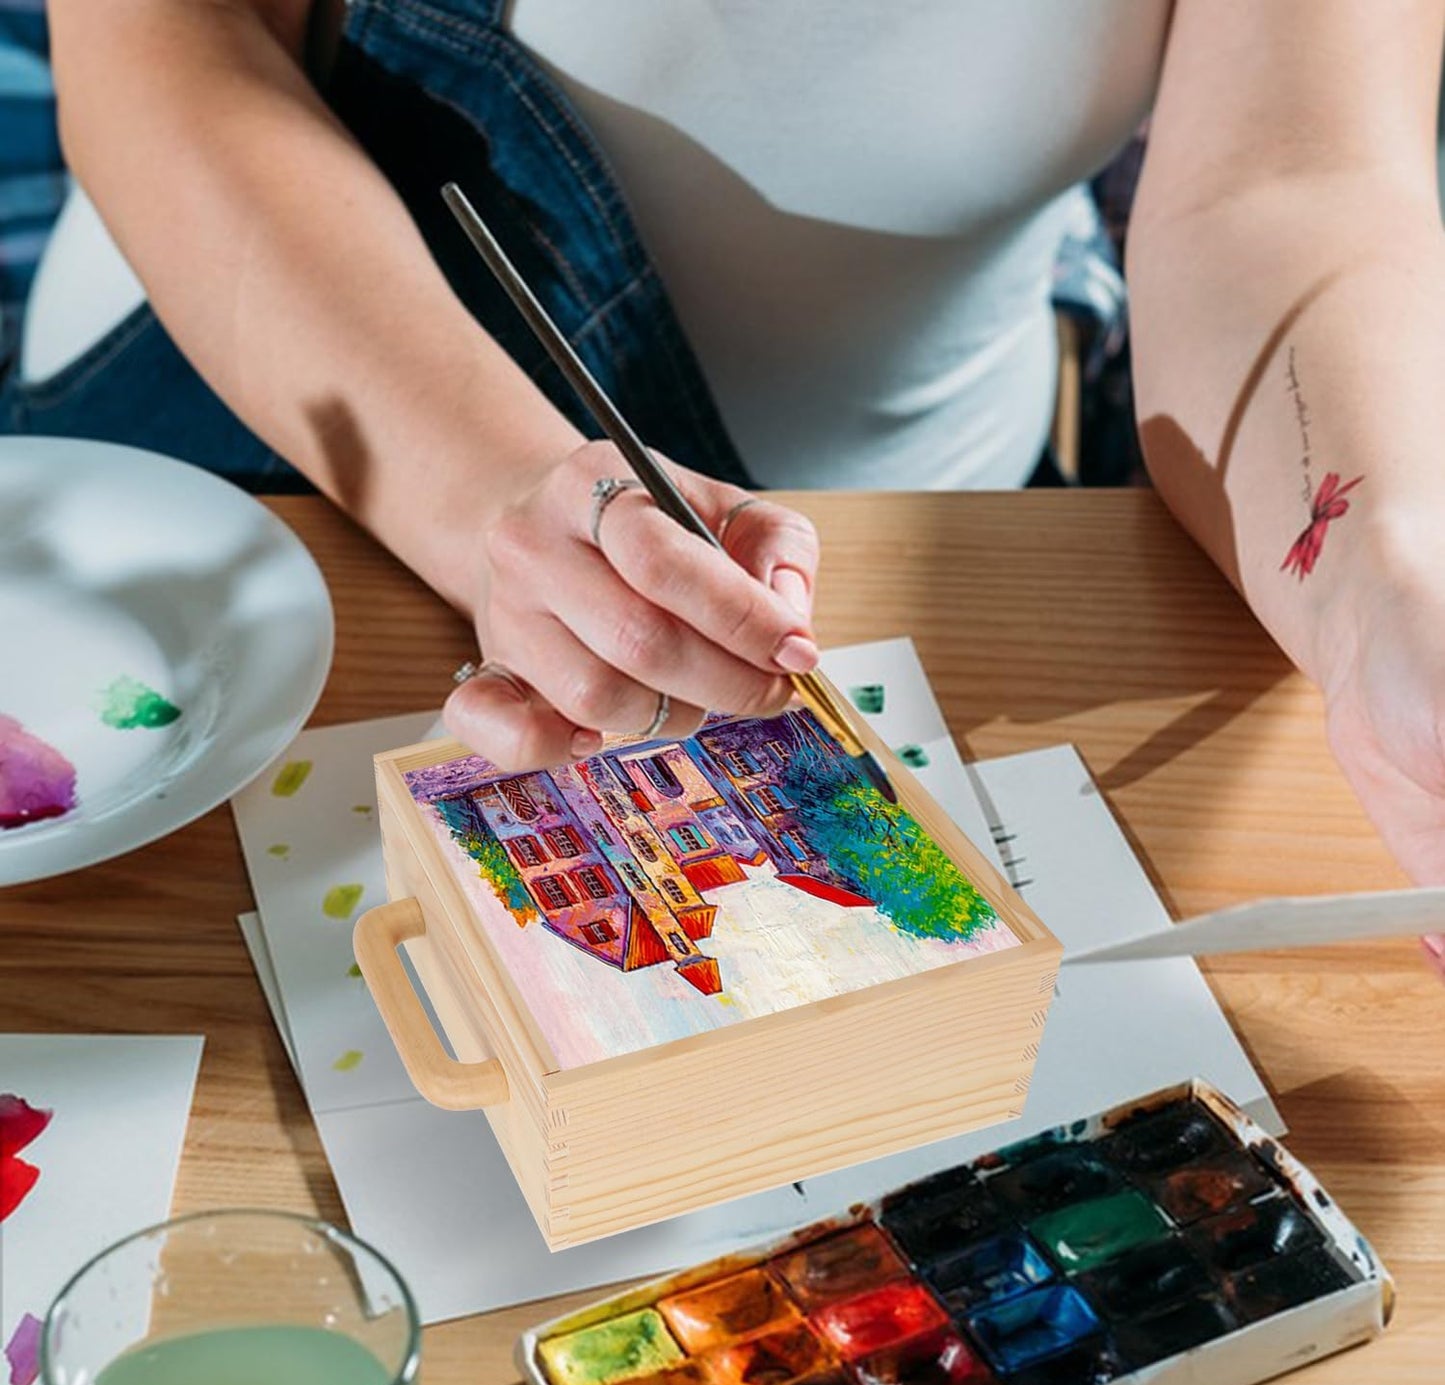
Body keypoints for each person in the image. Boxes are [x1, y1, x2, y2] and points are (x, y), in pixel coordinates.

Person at [7, 2, 1445, 933]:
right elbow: (162, 59)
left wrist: (1376, 589)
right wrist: (496, 494)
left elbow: (1286, 185)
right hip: (288, 450)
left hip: (936, 561)